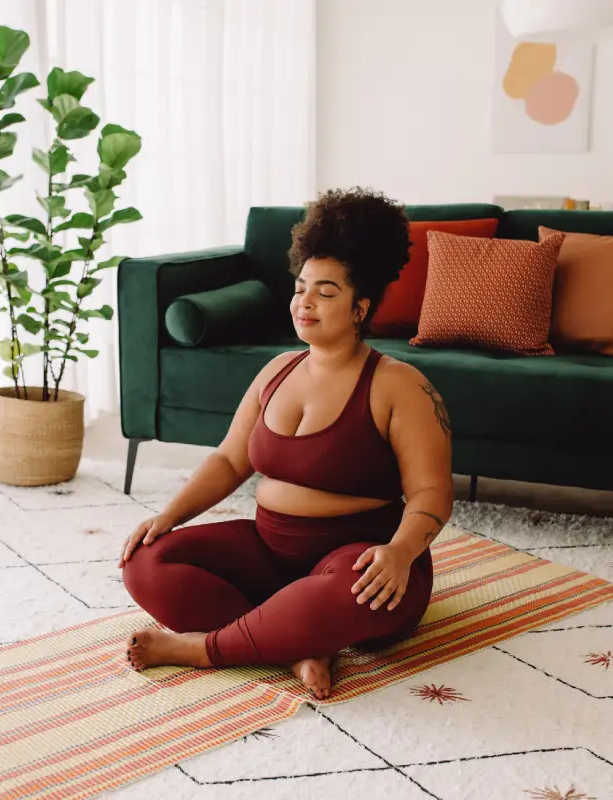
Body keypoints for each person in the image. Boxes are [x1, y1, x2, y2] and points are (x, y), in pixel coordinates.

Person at [118, 187, 454, 700]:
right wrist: (169, 516)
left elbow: (432, 494)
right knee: (145, 562)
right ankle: (297, 645)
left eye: (325, 292)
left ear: (360, 306)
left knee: (346, 597)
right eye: (301, 288)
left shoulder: (400, 386)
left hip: (360, 561)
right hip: (270, 552)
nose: (305, 302)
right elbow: (231, 459)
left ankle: (200, 649)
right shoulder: (276, 371)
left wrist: (399, 554)